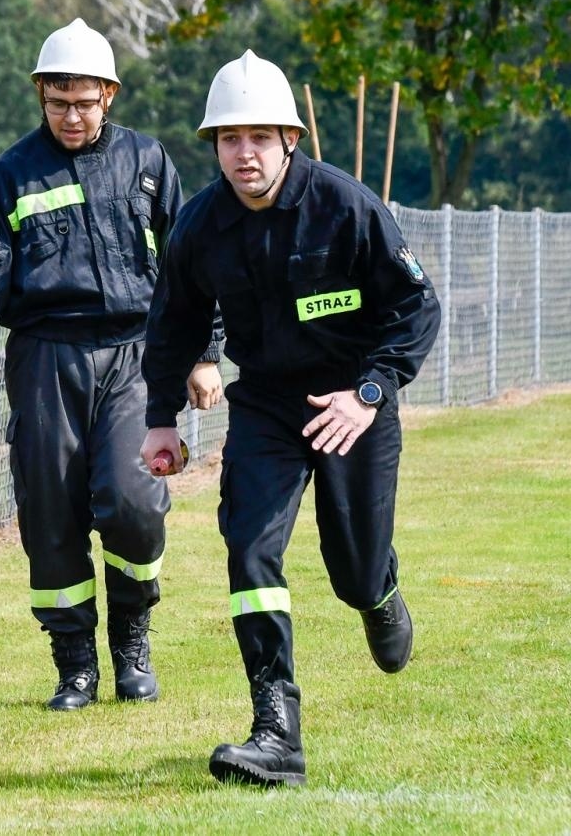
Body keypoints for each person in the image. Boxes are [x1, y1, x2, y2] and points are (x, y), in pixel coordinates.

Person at [139, 50, 441, 787]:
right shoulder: (199, 227)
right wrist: (160, 417)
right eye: (230, 139)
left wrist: (369, 393)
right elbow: (175, 320)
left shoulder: (346, 205)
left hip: (352, 401)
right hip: (268, 404)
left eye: (260, 138)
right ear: (214, 146)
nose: (245, 154)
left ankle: (379, 592)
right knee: (249, 549)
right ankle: (276, 727)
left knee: (353, 566)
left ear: (290, 140)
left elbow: (415, 306)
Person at [0, 18, 223, 711]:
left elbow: (191, 267)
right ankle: (76, 667)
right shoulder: (12, 174)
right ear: (40, 95)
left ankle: (132, 643)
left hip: (135, 359)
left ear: (109, 95)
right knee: (51, 514)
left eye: (84, 102)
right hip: (44, 360)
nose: (71, 115)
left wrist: (206, 353)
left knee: (133, 500)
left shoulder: (148, 164)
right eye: (57, 102)